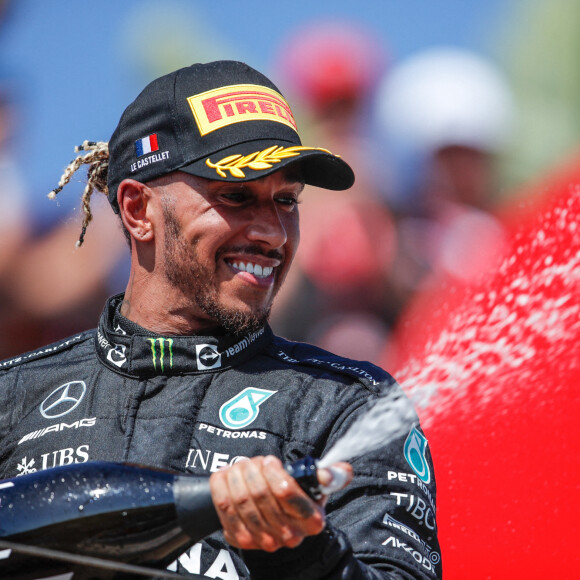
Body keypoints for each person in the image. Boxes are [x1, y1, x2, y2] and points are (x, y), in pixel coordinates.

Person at [0, 61, 440, 579]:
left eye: (286, 200)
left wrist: (298, 550)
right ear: (139, 210)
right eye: (235, 196)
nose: (274, 233)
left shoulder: (346, 408)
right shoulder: (13, 397)